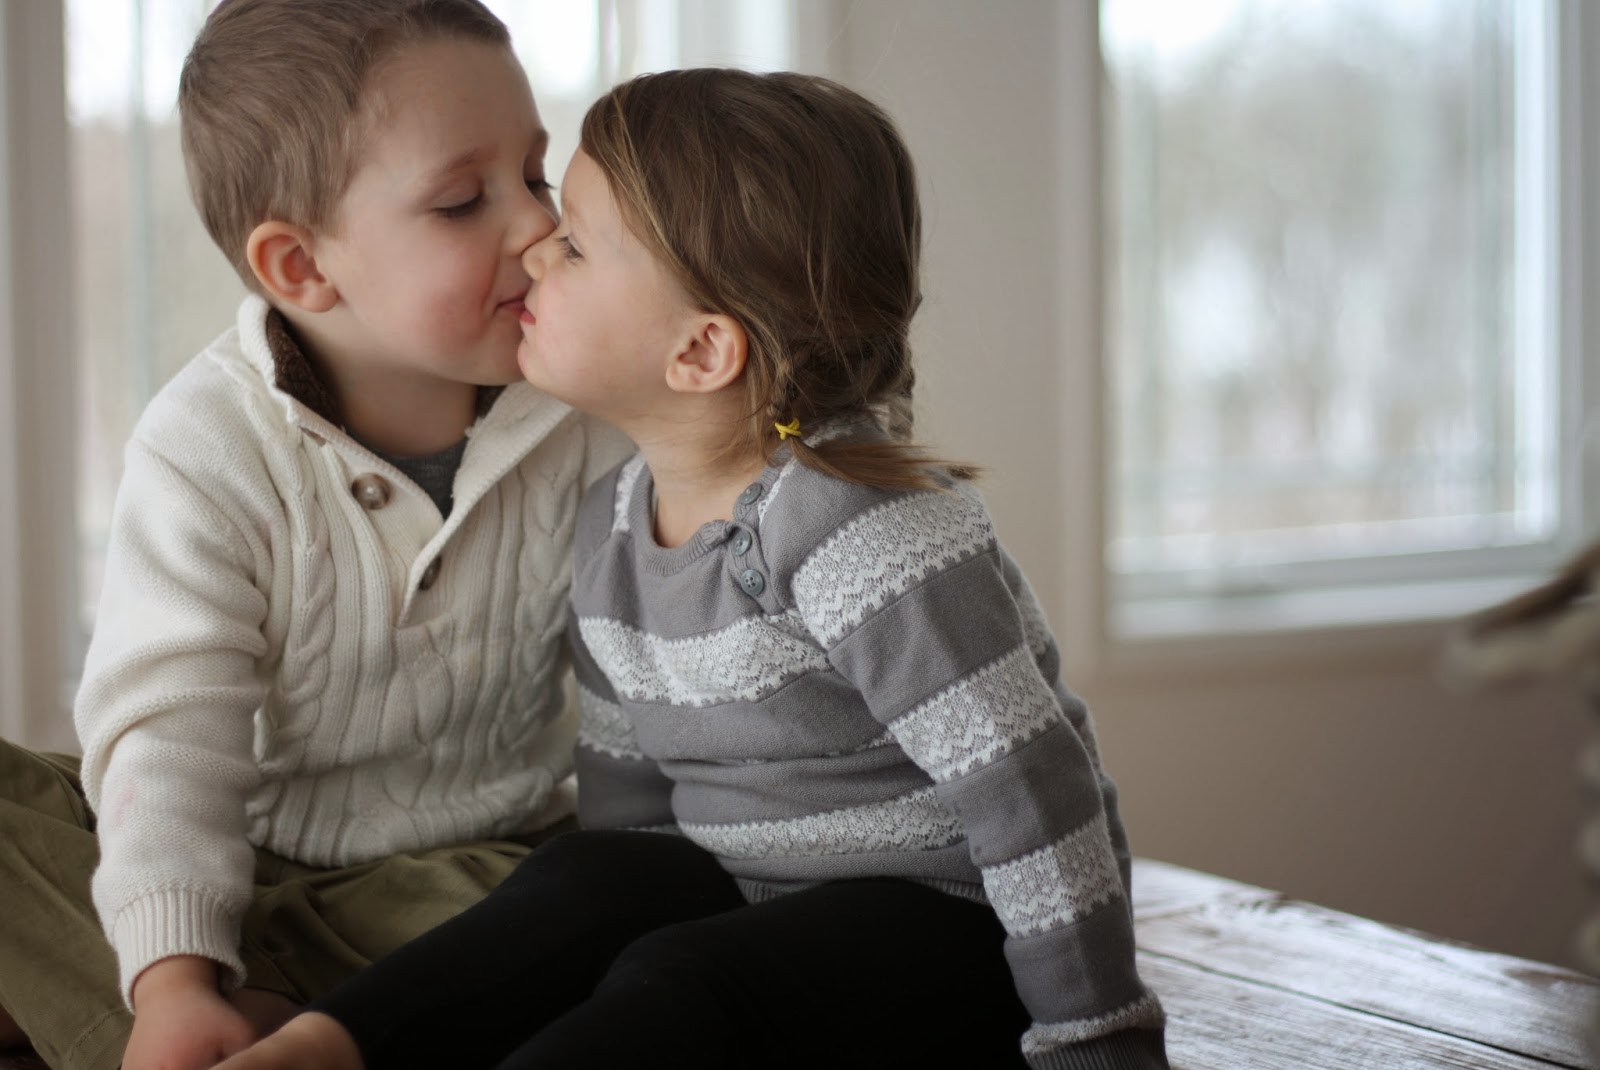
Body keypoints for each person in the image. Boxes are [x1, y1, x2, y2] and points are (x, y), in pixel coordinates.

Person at [217, 68, 1171, 1070]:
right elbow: (631, 812)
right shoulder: (614, 524)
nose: (534, 248)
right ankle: (323, 1048)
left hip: (949, 935)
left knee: (683, 974)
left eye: (574, 244)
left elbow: (1035, 794)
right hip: (751, 912)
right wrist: (593, 935)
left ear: (701, 351)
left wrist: (1094, 1036)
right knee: (582, 878)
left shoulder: (866, 534)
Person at [0, 2, 631, 1069]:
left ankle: (229, 1013)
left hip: (472, 870)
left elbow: (647, 691)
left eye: (536, 175)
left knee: (620, 887)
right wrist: (172, 976)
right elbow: (169, 734)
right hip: (243, 852)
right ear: (299, 267)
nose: (537, 226)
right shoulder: (206, 443)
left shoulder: (586, 414)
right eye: (463, 200)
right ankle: (207, 1012)